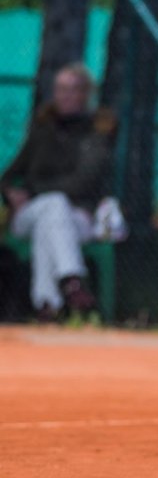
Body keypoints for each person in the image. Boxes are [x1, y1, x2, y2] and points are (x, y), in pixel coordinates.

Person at [1, 62, 117, 320]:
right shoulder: (42, 131)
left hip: (78, 218)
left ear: (85, 94)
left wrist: (33, 192)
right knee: (53, 205)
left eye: (73, 89)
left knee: (51, 217)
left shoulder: (97, 133)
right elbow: (8, 176)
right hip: (29, 215)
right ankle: (72, 280)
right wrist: (11, 193)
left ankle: (47, 303)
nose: (65, 95)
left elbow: (83, 182)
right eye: (61, 89)